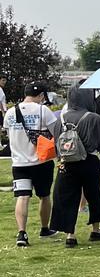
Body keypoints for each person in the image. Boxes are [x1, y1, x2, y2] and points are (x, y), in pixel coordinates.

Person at [50, 86, 100, 247]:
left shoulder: (60, 119)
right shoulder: (93, 117)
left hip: (67, 163)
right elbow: (99, 142)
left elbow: (56, 141)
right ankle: (96, 229)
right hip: (89, 161)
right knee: (94, 195)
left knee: (67, 197)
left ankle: (70, 234)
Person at [4, 83, 58, 247]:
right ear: (41, 95)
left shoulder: (11, 113)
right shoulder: (43, 111)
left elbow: (8, 133)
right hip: (41, 161)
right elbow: (56, 132)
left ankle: (22, 232)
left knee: (22, 196)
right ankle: (44, 228)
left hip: (19, 163)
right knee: (44, 195)